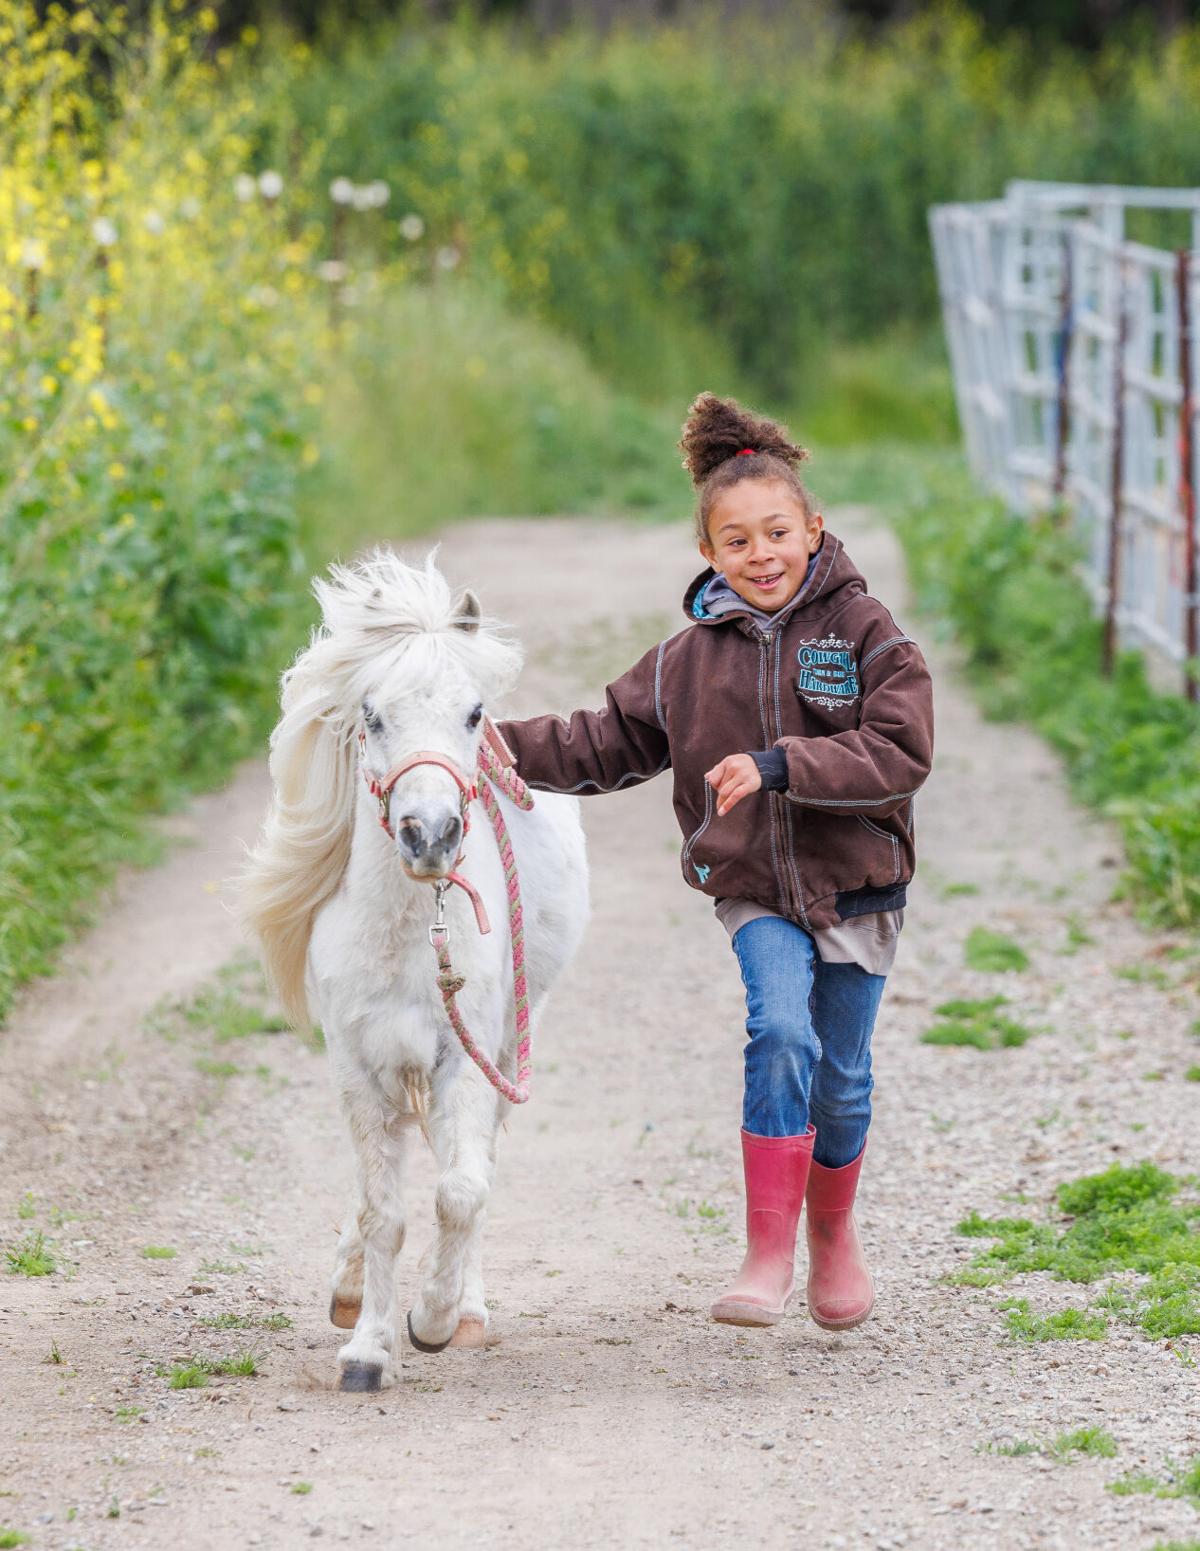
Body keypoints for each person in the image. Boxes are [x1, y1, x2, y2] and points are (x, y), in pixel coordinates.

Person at [496, 391, 934, 1331]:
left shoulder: (869, 635)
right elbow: (601, 739)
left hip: (858, 886)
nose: (762, 554)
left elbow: (901, 749)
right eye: (737, 542)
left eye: (777, 532)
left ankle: (832, 1237)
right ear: (709, 555)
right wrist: (489, 744)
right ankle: (765, 1252)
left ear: (814, 530)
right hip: (753, 889)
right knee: (780, 1031)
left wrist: (783, 766)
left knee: (843, 1076)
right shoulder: (686, 661)